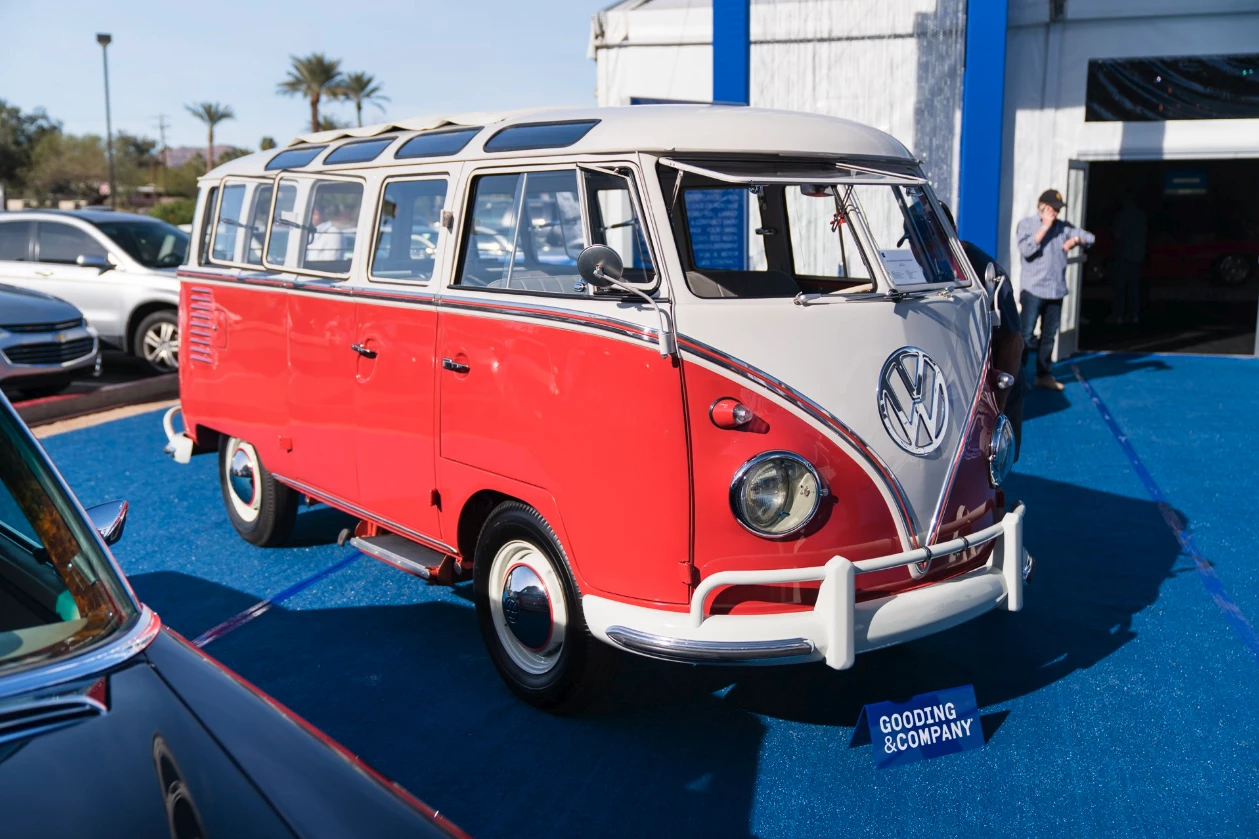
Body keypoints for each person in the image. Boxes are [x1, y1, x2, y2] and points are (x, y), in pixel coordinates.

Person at [940, 203, 1026, 458]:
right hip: (964, 383)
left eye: (928, 239)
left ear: (950, 232)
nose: (918, 249)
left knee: (994, 462)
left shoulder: (984, 270)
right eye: (913, 240)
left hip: (1000, 378)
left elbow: (1014, 342)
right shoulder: (928, 267)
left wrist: (997, 410)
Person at [1016, 188, 1094, 391]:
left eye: (1058, 210)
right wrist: (1044, 227)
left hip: (1056, 290)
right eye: (1053, 209)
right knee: (1025, 335)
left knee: (1048, 336)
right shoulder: (1027, 225)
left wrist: (1075, 240)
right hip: (1033, 290)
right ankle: (1018, 378)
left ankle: (1043, 375)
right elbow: (1026, 250)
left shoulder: (1063, 227)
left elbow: (1089, 237)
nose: (1056, 214)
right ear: (1042, 207)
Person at [1109, 193, 1147, 325]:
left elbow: (1117, 234)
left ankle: (1119, 315)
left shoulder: (1123, 215)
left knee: (1120, 287)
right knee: (1134, 286)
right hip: (1137, 255)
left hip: (1124, 255)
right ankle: (1134, 314)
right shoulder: (1141, 215)